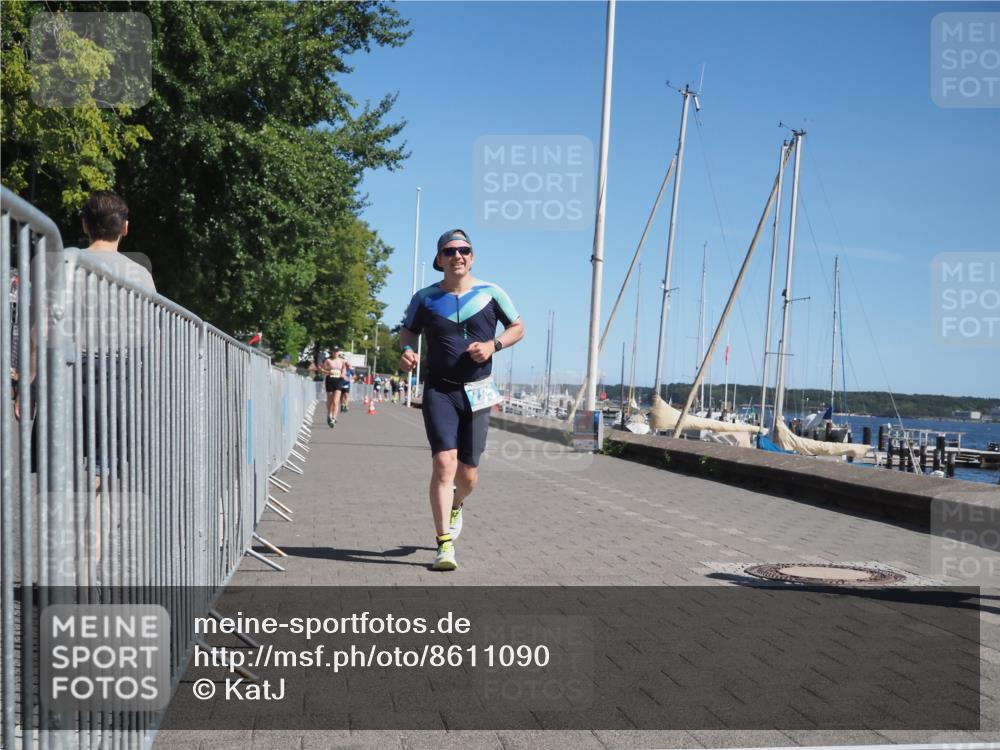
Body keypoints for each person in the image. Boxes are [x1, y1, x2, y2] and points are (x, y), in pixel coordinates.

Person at [399, 229, 524, 571]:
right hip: (440, 389)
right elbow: (408, 331)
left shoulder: (491, 293)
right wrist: (408, 351)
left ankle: (456, 504)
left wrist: (493, 345)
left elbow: (518, 327)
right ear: (439, 259)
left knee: (468, 476)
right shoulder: (424, 298)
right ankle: (444, 545)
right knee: (444, 464)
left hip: (478, 390)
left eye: (464, 249)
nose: (458, 255)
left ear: (472, 256)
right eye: (450, 250)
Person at [321, 346, 349, 427]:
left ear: (339, 352)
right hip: (330, 380)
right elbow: (322, 370)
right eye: (334, 351)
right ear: (331, 352)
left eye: (337, 351)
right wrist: (328, 372)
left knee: (335, 401)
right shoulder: (328, 360)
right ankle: (329, 414)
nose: (335, 352)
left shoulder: (342, 361)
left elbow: (344, 370)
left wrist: (343, 374)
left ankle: (333, 418)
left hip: (339, 380)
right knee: (329, 401)